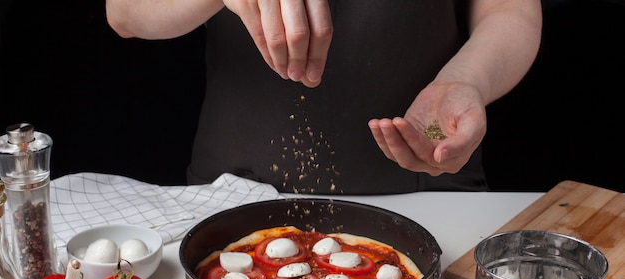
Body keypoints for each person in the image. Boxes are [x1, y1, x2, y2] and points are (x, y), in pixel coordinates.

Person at [105, 1, 542, 194]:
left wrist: (467, 79)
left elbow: (511, 9)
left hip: (430, 179)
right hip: (235, 191)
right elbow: (124, 11)